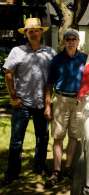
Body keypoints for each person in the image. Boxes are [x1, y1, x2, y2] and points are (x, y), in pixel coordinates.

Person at [2, 18, 56, 185]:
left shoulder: (50, 53)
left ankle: (39, 167)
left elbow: (51, 79)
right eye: (30, 30)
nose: (34, 33)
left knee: (43, 138)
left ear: (41, 32)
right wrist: (13, 97)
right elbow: (8, 74)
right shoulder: (17, 51)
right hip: (22, 104)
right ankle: (12, 172)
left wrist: (48, 104)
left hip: (41, 103)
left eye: (36, 30)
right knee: (17, 140)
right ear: (25, 33)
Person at [44, 28, 88, 187]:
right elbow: (48, 84)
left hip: (78, 102)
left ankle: (68, 167)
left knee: (75, 136)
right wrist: (48, 106)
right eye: (68, 39)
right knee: (58, 137)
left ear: (78, 41)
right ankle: (56, 171)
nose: (70, 42)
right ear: (64, 41)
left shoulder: (85, 58)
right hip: (61, 100)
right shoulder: (56, 60)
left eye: (73, 39)